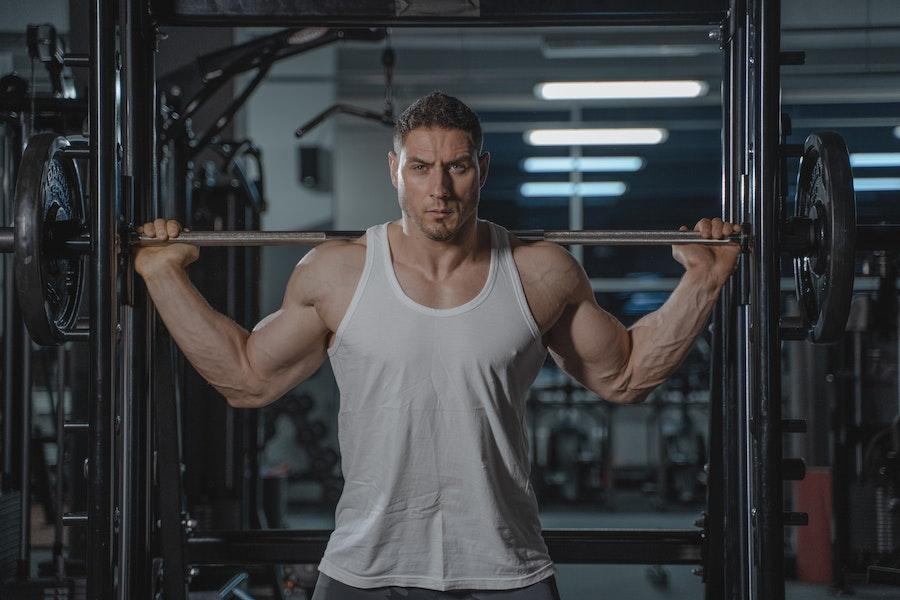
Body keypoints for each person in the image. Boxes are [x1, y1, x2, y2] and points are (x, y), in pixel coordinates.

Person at [135, 91, 741, 600]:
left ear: (484, 167)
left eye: (457, 166)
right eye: (421, 167)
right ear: (394, 169)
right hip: (365, 569)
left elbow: (626, 376)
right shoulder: (336, 273)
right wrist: (163, 275)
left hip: (507, 570)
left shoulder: (541, 273)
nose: (440, 188)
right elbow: (247, 380)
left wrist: (704, 280)